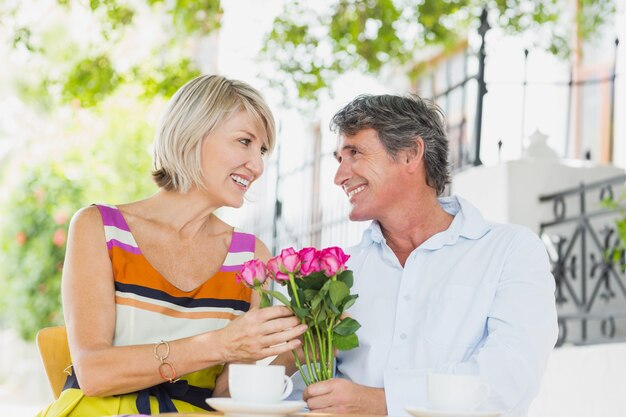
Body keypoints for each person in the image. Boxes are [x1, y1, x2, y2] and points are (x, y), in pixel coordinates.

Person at [37, 74, 307, 417]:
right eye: (244, 141)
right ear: (193, 134)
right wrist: (220, 344)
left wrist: (299, 351)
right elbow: (94, 372)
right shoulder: (100, 229)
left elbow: (229, 393)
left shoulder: (251, 257)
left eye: (263, 150)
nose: (257, 166)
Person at [301, 94, 558, 417]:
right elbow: (306, 387)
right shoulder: (339, 271)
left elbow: (510, 377)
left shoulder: (510, 250)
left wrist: (381, 404)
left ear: (410, 153)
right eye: (339, 159)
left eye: (355, 153)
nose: (339, 177)